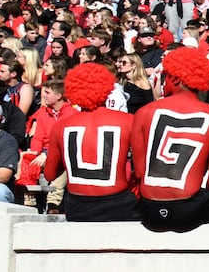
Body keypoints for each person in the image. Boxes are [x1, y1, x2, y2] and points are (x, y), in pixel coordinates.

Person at [132, 46, 209, 231]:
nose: (163, 83)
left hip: (149, 208)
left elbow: (141, 174)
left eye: (165, 77)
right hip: (189, 208)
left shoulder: (143, 113)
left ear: (175, 77)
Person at [42, 63, 139, 221]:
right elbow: (141, 170)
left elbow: (50, 174)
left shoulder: (60, 126)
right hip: (119, 203)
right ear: (107, 88)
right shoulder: (128, 121)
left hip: (77, 206)